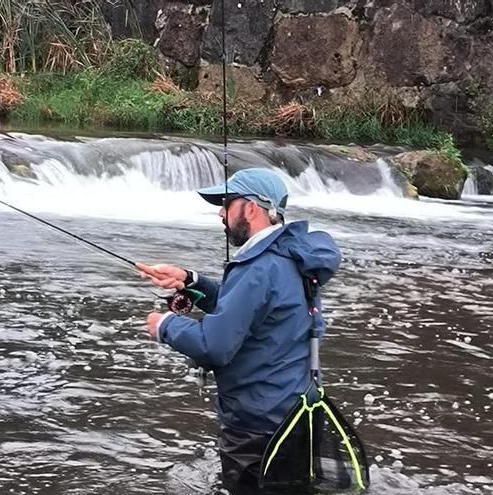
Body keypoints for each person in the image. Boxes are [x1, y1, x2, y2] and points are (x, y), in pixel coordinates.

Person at [137, 167, 341, 493]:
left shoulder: (259, 267)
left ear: (250, 208)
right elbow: (250, 311)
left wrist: (164, 325)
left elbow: (215, 345)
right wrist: (190, 281)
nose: (220, 212)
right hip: (296, 416)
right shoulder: (290, 256)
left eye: (227, 203)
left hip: (256, 430)